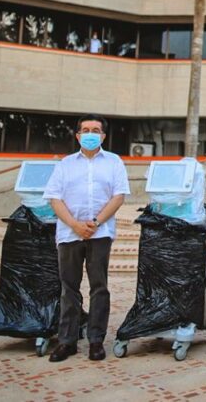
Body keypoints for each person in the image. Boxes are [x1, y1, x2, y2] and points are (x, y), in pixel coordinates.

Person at [43, 114, 130, 362]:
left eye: (95, 130)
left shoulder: (113, 162)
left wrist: (95, 223)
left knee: (98, 288)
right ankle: (67, 341)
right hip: (69, 234)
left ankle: (96, 341)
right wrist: (74, 225)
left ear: (103, 136)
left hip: (100, 233)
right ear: (78, 135)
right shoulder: (65, 164)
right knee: (69, 288)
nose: (90, 134)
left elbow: (118, 196)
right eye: (85, 130)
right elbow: (54, 198)